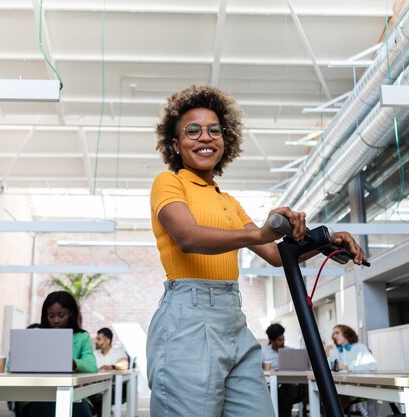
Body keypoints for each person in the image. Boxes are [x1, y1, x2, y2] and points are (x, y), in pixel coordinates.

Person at [146, 85, 367, 417]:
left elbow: (277, 255)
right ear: (175, 144)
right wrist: (259, 231)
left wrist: (326, 240)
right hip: (187, 320)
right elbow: (187, 237)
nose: (204, 137)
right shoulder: (170, 183)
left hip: (232, 319)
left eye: (214, 130)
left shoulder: (228, 202)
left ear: (226, 140)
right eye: (193, 131)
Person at [23, 291, 98, 417]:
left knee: (78, 410)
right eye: (51, 316)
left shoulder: (82, 337)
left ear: (71, 313)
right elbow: (16, 364)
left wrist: (74, 363)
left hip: (74, 395)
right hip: (38, 394)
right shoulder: (35, 334)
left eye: (61, 315)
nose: (56, 320)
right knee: (41, 408)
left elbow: (92, 367)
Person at [262, 323, 304, 417]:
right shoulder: (264, 353)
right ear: (272, 340)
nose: (282, 342)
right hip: (270, 384)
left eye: (283, 339)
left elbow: (301, 365)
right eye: (279, 340)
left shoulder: (290, 351)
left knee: (287, 391)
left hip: (289, 384)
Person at [89, 327, 129, 417]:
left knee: (100, 399)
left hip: (113, 387)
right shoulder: (94, 354)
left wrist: (112, 366)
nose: (96, 341)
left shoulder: (118, 352)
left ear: (108, 341)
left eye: (99, 339)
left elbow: (124, 364)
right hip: (94, 387)